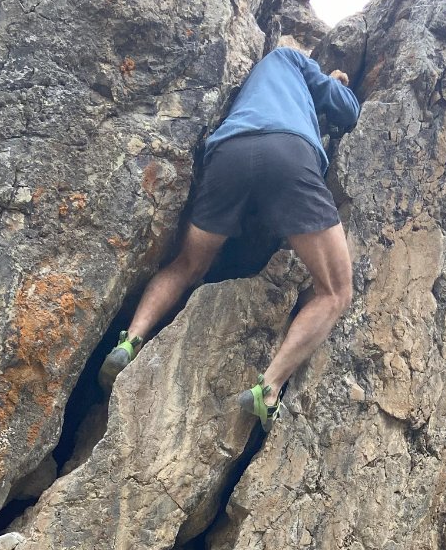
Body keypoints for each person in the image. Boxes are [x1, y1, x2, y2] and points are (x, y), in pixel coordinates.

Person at [99, 40, 361, 431]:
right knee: (335, 292)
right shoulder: (291, 58)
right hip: (287, 152)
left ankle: (130, 339)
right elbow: (348, 109)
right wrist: (332, 81)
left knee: (187, 263)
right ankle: (268, 390)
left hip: (228, 154)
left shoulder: (256, 83)